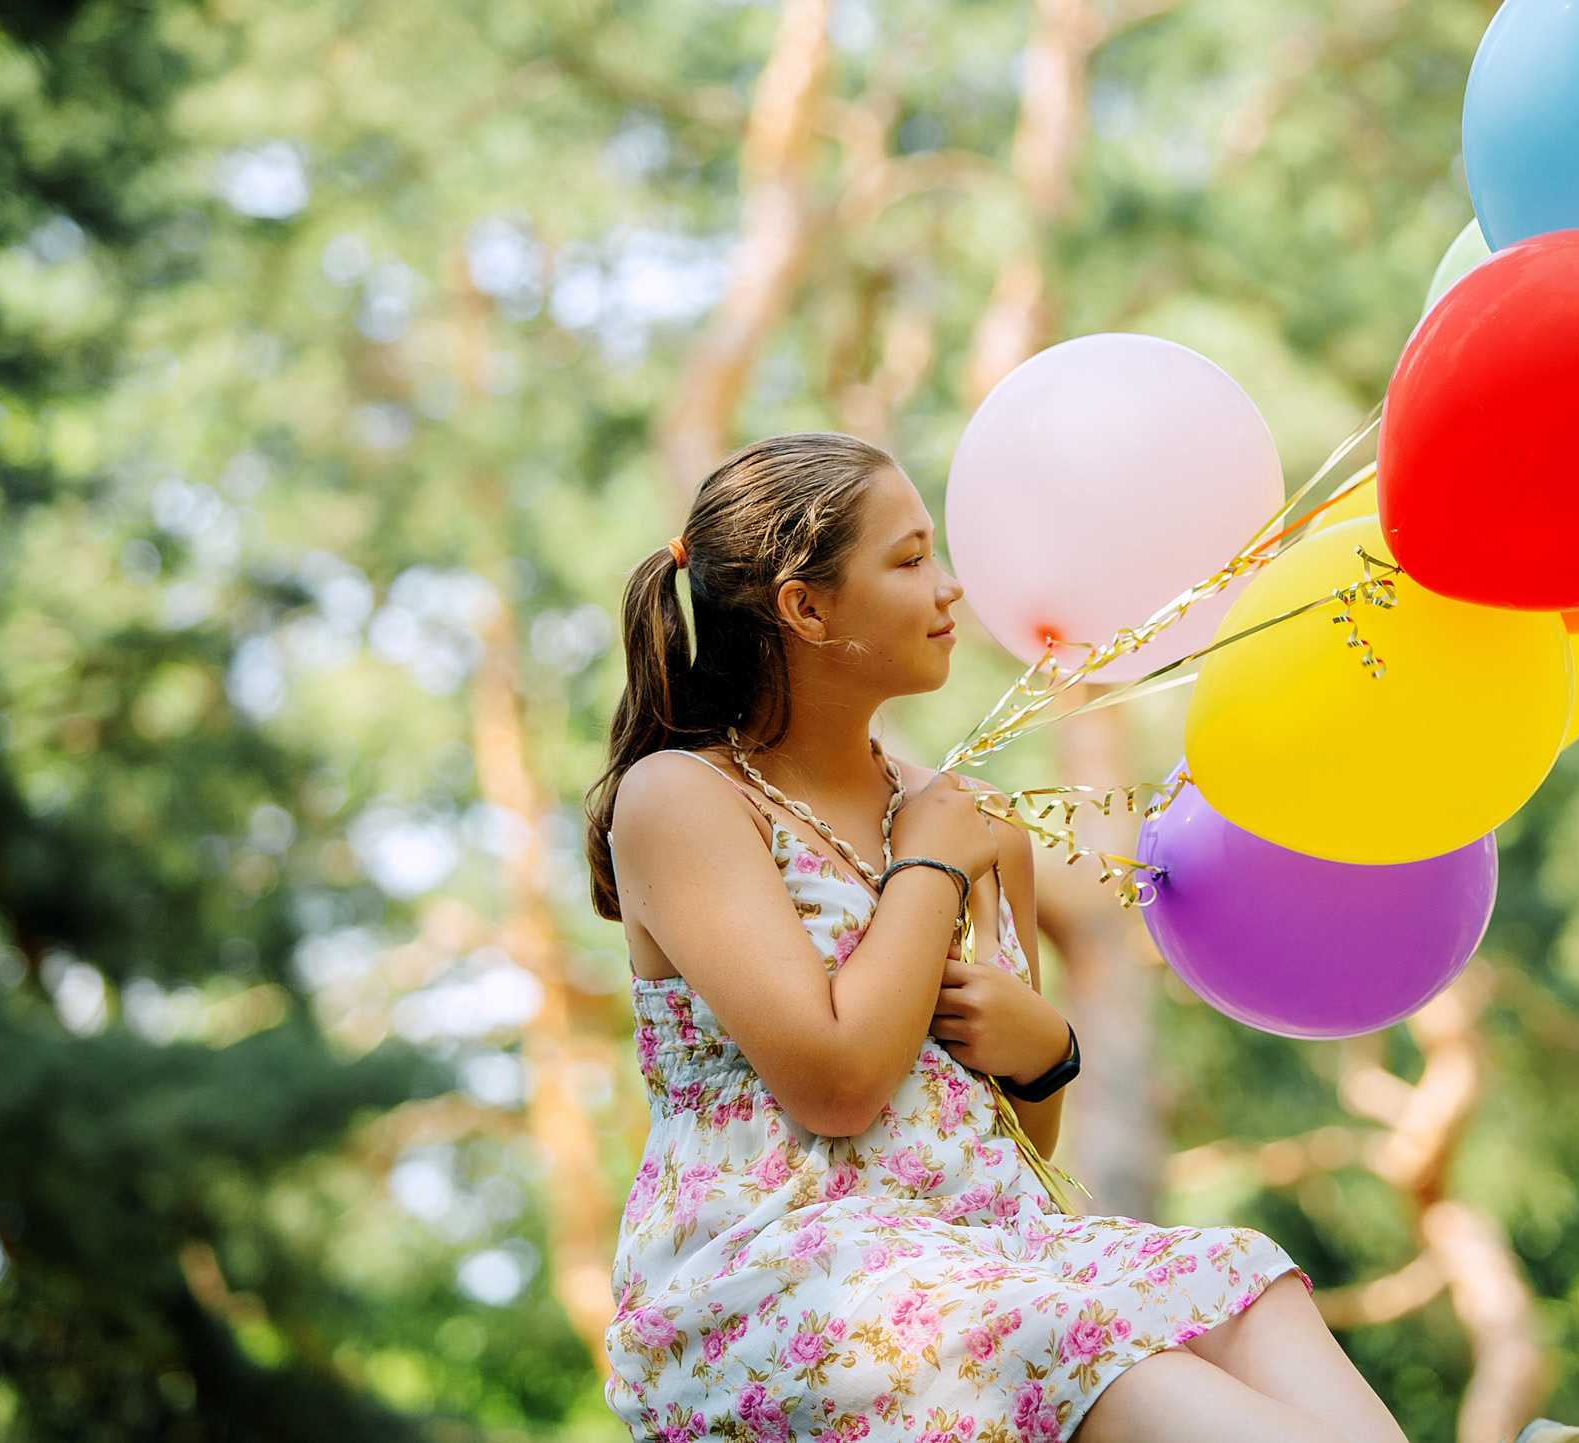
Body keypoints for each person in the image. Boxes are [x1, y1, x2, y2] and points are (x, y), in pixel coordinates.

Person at [586, 432, 1412, 1443]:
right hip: (788, 1273)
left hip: (985, 1242)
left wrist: (1045, 1053)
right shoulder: (683, 798)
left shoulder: (977, 824)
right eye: (908, 559)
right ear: (806, 608)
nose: (950, 587)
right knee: (1063, 1334)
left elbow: (997, 1139)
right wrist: (927, 866)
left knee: (1242, 1276)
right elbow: (836, 1085)